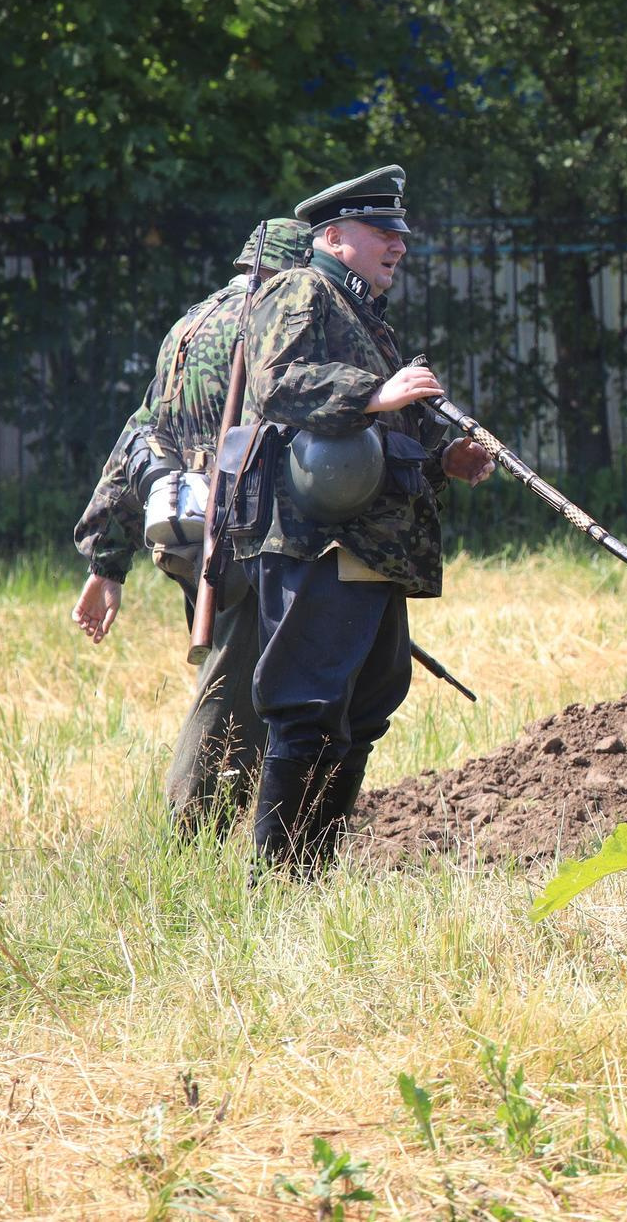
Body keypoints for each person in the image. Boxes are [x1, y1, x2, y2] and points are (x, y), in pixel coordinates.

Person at [234, 166, 494, 874]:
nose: (398, 245)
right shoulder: (301, 289)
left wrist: (445, 459)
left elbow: (379, 438)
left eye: (399, 233)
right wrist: (376, 392)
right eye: (382, 232)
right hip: (318, 540)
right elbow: (276, 382)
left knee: (366, 706)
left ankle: (312, 873)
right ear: (334, 237)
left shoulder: (363, 315)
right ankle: (278, 882)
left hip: (371, 544)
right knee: (308, 706)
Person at [71, 217, 313, 827]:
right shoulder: (274, 322)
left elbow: (140, 434)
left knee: (244, 678)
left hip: (187, 527)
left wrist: (107, 562)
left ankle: (254, 823)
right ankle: (193, 833)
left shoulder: (190, 324)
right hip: (255, 531)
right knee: (236, 688)